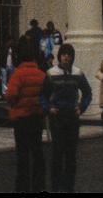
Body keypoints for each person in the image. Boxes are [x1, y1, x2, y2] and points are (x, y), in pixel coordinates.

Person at [41, 43, 91, 194]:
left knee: (71, 155)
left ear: (72, 57)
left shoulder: (78, 73)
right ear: (59, 56)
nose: (66, 57)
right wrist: (48, 108)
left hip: (72, 117)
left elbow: (87, 92)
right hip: (57, 117)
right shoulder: (51, 73)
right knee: (57, 153)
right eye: (64, 54)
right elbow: (43, 94)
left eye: (69, 55)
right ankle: (55, 187)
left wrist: (81, 107)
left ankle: (69, 187)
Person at [4, 36, 47, 192]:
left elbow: (10, 95)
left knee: (22, 155)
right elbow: (46, 95)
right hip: (36, 117)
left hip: (21, 118)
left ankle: (23, 186)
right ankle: (39, 185)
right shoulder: (41, 74)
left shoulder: (18, 74)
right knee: (37, 152)